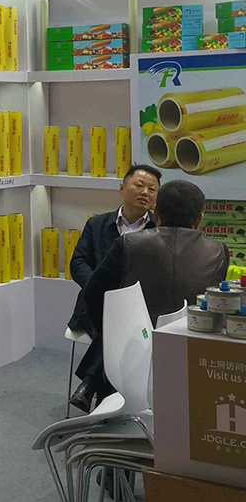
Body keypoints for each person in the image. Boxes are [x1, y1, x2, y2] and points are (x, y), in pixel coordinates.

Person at [68, 164, 161, 413]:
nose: (145, 192)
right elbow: (78, 262)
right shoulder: (96, 224)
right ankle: (108, 401)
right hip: (95, 305)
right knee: (120, 328)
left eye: (152, 189)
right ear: (122, 188)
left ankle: (90, 386)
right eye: (139, 185)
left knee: (122, 326)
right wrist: (97, 286)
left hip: (137, 307)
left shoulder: (158, 231)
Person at [83, 179, 229, 338]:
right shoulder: (218, 251)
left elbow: (93, 294)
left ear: (156, 213)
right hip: (196, 342)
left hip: (134, 341)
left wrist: (111, 334)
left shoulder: (128, 244)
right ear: (199, 219)